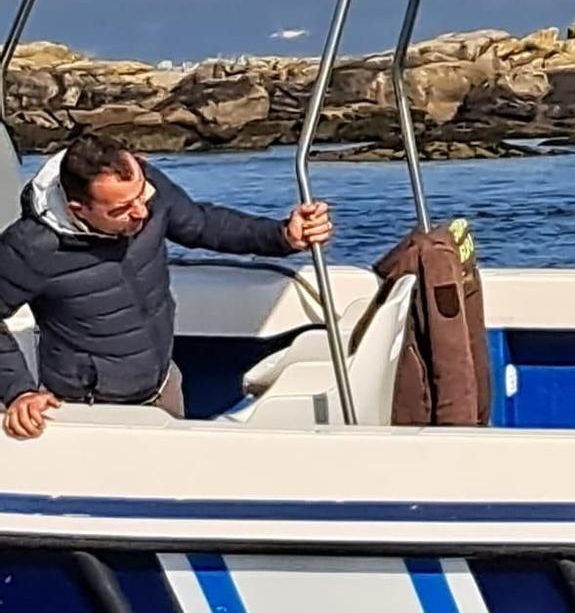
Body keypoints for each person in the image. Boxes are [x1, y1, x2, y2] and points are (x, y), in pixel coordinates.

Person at [0, 139, 333, 440]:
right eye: (120, 210)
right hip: (88, 409)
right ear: (78, 210)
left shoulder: (148, 190)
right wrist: (18, 392)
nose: (141, 211)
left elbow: (203, 224)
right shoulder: (30, 248)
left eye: (141, 195)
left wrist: (283, 236)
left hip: (164, 384)